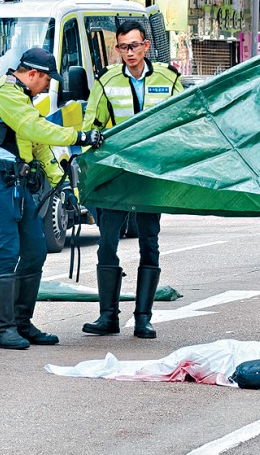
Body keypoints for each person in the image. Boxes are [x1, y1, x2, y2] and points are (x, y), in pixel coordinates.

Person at [0, 47, 103, 350]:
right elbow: (34, 128)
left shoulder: (24, 99)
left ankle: (22, 323)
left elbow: (38, 144)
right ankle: (3, 329)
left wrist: (64, 187)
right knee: (7, 253)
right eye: (46, 81)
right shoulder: (5, 93)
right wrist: (79, 136)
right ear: (32, 74)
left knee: (34, 251)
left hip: (17, 185)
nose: (47, 87)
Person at [81, 19, 184, 339]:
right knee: (107, 243)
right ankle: (108, 317)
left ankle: (143, 318)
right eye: (123, 47)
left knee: (149, 242)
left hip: (150, 175)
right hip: (115, 175)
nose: (129, 52)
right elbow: (90, 123)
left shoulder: (168, 79)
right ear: (117, 49)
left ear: (146, 46)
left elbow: (184, 118)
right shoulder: (106, 81)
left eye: (135, 46)